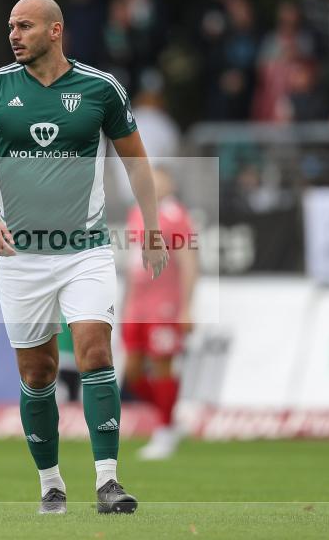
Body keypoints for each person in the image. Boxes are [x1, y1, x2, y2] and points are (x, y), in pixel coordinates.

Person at [0, 0, 168, 515]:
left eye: (24, 26)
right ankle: (51, 481)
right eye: (10, 26)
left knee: (95, 351)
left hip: (86, 249)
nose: (13, 34)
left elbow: (138, 164)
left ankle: (108, 482)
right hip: (21, 257)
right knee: (38, 372)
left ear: (55, 31)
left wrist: (154, 227)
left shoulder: (101, 88)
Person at [122, 166, 197, 460]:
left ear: (170, 183)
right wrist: (126, 302)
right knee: (132, 372)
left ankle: (164, 430)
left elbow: (189, 263)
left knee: (162, 365)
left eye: (158, 178)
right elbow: (132, 264)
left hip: (163, 303)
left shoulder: (176, 216)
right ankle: (172, 418)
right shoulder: (136, 213)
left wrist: (187, 307)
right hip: (137, 306)